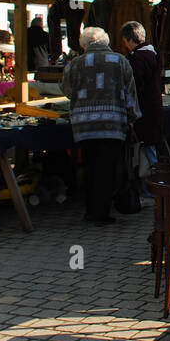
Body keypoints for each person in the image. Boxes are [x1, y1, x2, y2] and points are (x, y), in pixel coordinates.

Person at [61, 27, 140, 224]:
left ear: (85, 44)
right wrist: (132, 117)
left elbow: (67, 90)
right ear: (106, 42)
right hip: (112, 123)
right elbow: (130, 93)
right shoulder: (121, 62)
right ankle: (101, 213)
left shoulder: (75, 64)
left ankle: (91, 210)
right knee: (107, 168)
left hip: (84, 125)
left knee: (90, 166)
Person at [121, 21, 165, 179]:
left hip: (144, 111)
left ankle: (150, 191)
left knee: (147, 154)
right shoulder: (154, 53)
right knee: (149, 150)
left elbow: (134, 87)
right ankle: (152, 189)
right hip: (153, 108)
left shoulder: (137, 59)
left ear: (129, 39)